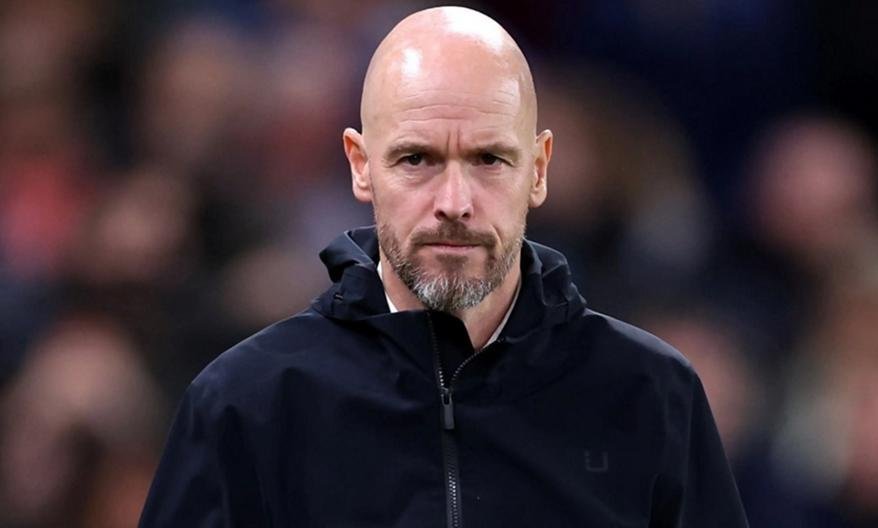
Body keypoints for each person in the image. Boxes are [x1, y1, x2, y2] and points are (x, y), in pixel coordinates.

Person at [139, 6, 748, 527]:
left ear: (538, 169)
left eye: (489, 159)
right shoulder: (244, 406)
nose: (454, 202)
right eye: (417, 159)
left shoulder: (651, 398)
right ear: (361, 166)